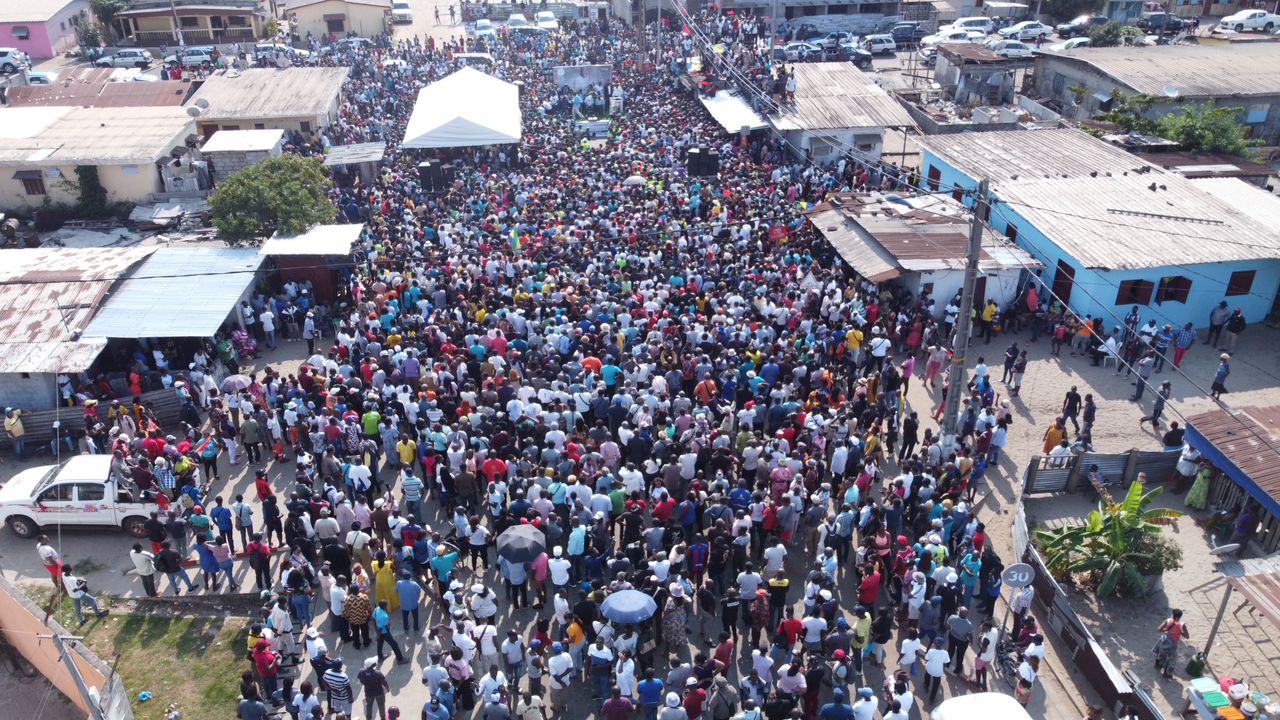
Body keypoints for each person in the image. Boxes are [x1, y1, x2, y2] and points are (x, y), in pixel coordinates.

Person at [1154, 609, 1188, 679]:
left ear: (1173, 615)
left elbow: (1159, 629)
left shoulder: (1168, 620)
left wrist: (1166, 630)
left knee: (1162, 654)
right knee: (1173, 658)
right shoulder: (1182, 625)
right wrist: (1181, 633)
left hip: (1164, 640)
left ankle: (1158, 665)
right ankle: (1167, 673)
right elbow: (1187, 636)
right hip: (1173, 644)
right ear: (1180, 617)